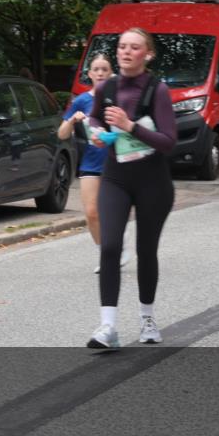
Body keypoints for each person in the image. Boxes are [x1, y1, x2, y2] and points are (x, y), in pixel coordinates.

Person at [86, 27, 177, 349]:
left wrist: (129, 126)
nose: (125, 52)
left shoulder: (158, 90)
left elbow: (168, 142)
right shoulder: (107, 87)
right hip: (115, 177)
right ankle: (107, 327)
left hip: (153, 180)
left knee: (145, 250)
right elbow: (95, 119)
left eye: (134, 47)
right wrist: (95, 132)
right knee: (109, 247)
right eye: (122, 46)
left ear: (147, 54)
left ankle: (147, 317)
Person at [57, 52, 131, 273]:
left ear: (111, 73)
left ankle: (120, 243)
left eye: (104, 70)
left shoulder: (120, 98)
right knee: (91, 213)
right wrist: (72, 119)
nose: (100, 73)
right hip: (90, 162)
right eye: (96, 70)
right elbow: (61, 134)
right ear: (89, 74)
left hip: (116, 161)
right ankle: (105, 252)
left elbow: (131, 130)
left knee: (114, 211)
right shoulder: (81, 101)